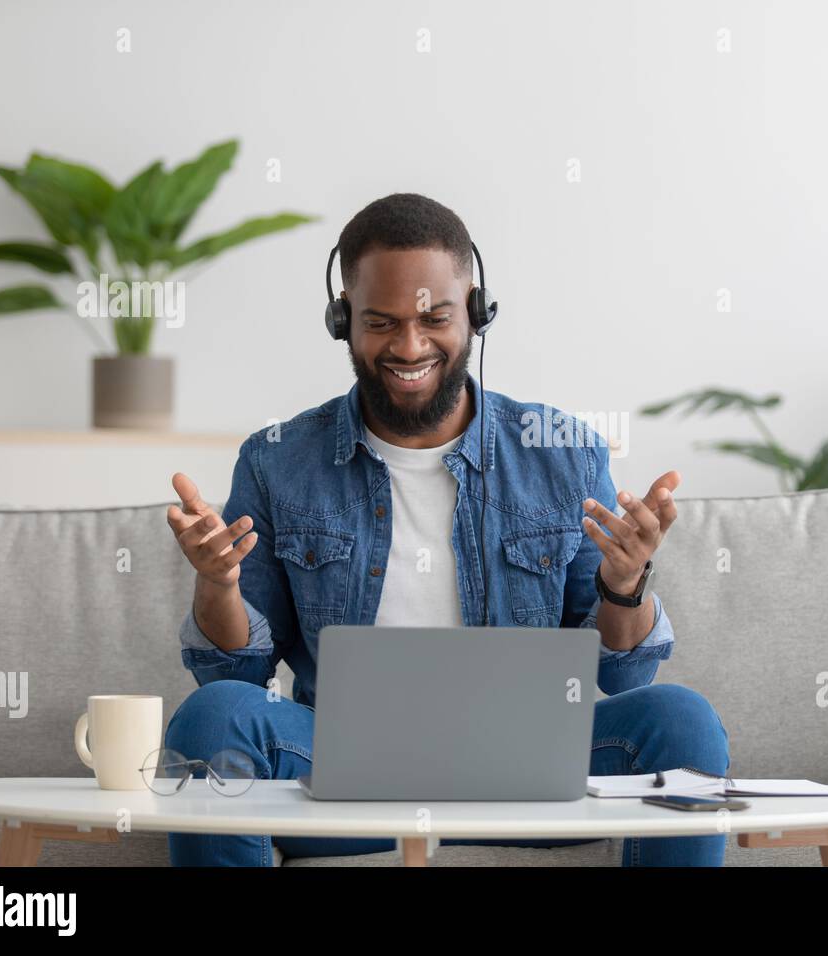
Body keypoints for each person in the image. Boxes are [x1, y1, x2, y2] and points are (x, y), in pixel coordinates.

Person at [163, 192, 730, 866]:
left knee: (682, 719)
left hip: (532, 776)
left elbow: (628, 674)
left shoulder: (563, 452)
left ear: (476, 314)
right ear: (342, 320)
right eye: (381, 322)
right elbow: (236, 670)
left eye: (434, 318)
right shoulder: (279, 459)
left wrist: (624, 583)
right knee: (212, 718)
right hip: (343, 777)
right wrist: (216, 586)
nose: (409, 346)